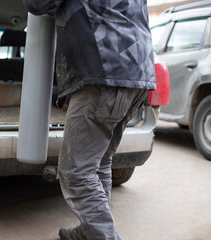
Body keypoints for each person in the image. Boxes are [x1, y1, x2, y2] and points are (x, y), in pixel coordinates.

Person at [23, 0, 156, 240]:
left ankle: (103, 235)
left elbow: (36, 4)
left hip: (104, 74)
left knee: (75, 172)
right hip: (137, 74)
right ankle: (89, 230)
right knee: (100, 161)